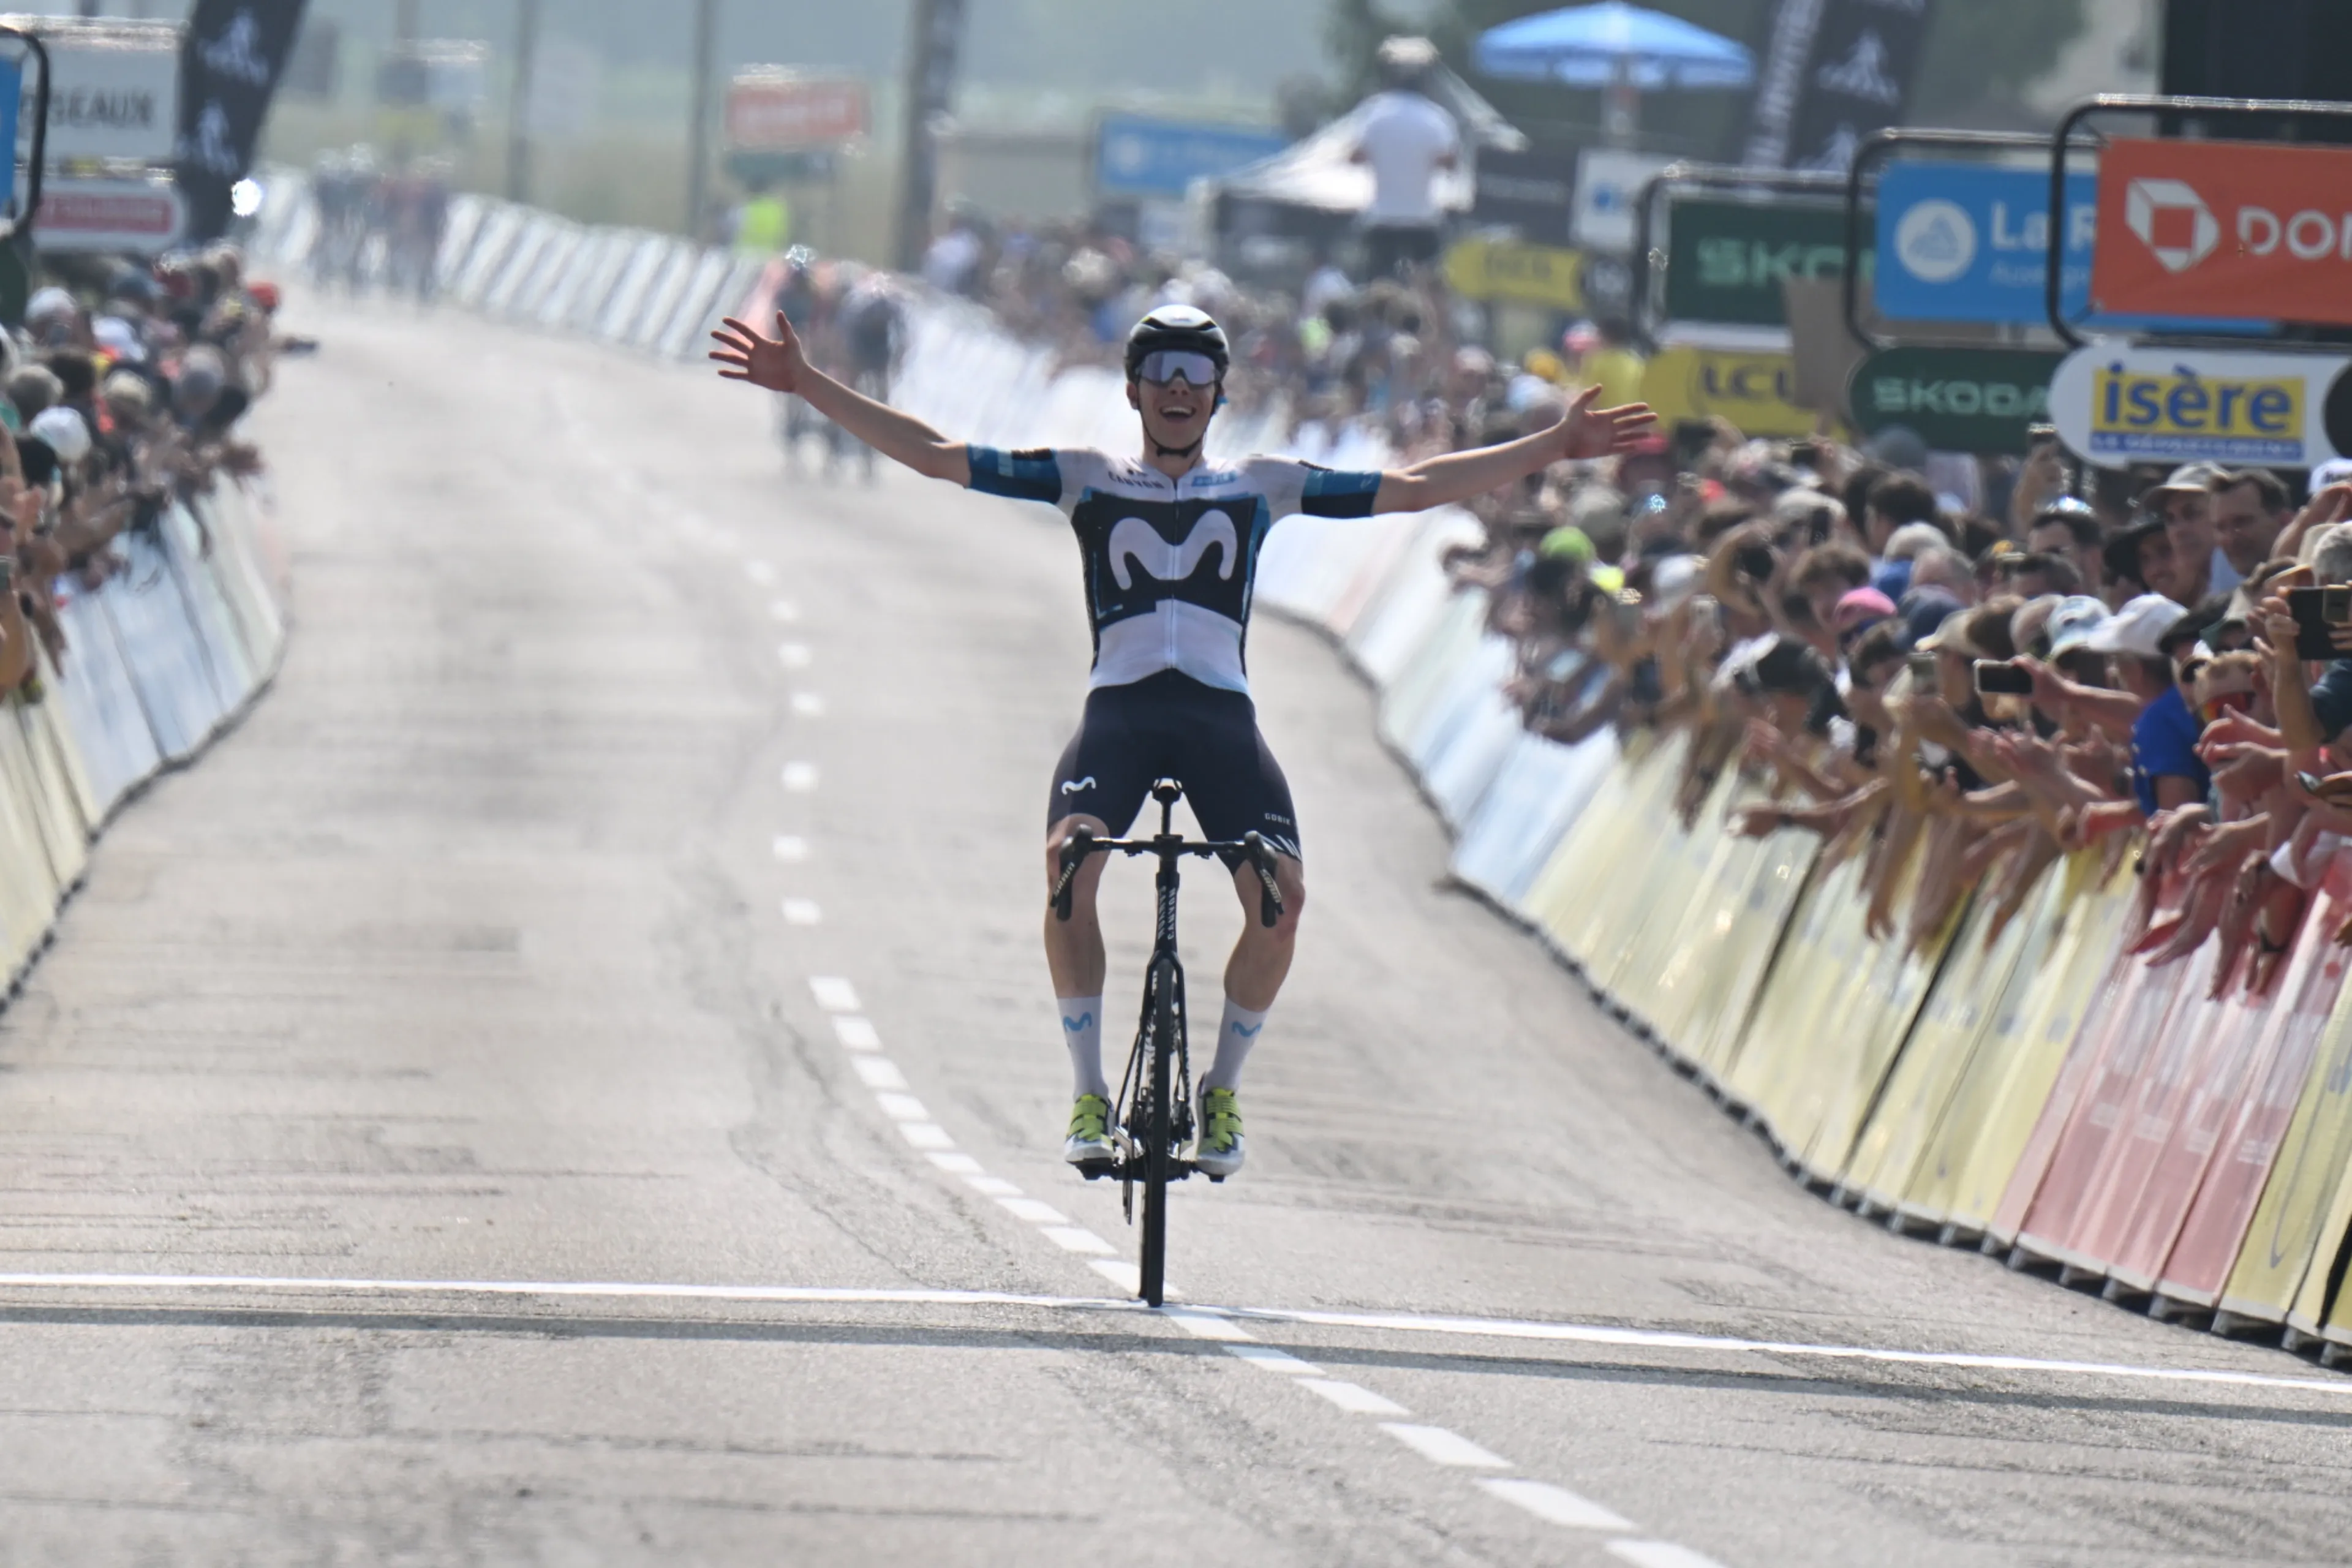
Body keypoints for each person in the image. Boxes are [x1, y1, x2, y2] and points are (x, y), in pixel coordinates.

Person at [711, 303, 1654, 1176]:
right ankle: (1087, 1096)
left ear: (1218, 394)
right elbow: (937, 454)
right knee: (1068, 864)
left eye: (1195, 372)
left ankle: (1223, 1093)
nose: (1176, 386)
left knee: (1282, 898)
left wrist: (1554, 447)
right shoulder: (1085, 477)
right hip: (1118, 718)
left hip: (1218, 723)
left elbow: (1412, 488)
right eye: (1157, 369)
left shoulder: (1260, 486)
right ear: (1131, 390)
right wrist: (807, 384)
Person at [1349, 37, 1460, 279]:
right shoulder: (1436, 119)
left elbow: (1355, 156)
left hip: (1383, 218)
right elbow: (1450, 162)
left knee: (1377, 283)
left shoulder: (1374, 115)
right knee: (1429, 283)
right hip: (1423, 219)